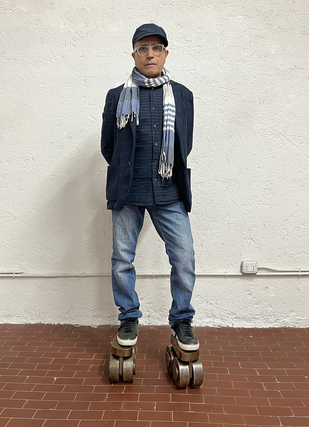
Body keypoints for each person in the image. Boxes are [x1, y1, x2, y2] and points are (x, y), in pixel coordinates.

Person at [101, 23, 199, 351]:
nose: (150, 54)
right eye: (143, 48)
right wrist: (127, 170)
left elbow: (185, 142)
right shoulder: (117, 96)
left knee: (184, 257)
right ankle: (129, 316)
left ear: (165, 53)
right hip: (128, 191)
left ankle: (181, 320)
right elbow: (109, 147)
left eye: (156, 48)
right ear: (134, 54)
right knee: (122, 260)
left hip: (169, 191)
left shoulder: (183, 95)